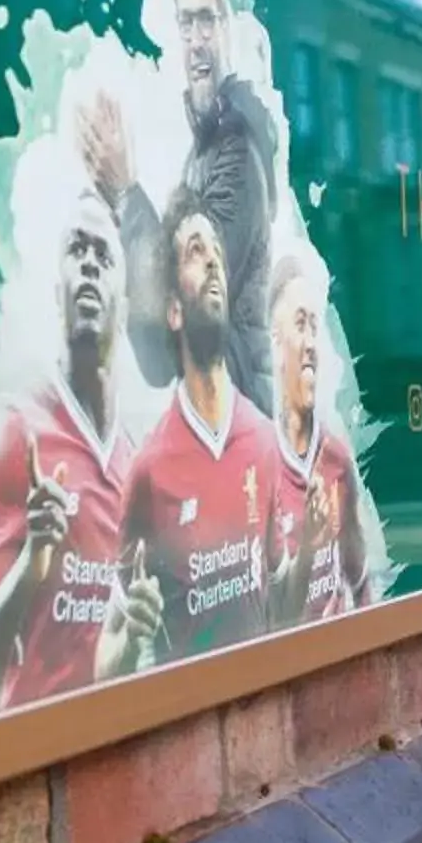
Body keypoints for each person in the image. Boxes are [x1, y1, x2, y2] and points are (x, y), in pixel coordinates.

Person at [0, 188, 136, 720]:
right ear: (58, 290)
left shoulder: (131, 462)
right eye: (77, 250)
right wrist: (29, 569)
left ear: (127, 296)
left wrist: (132, 639)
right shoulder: (18, 427)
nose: (90, 266)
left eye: (103, 255)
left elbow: (106, 668)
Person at [78, 0, 281, 415]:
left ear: (228, 27)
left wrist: (125, 191)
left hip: (237, 428)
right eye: (185, 24)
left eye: (206, 22)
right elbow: (158, 345)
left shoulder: (237, 147)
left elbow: (191, 311)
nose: (196, 43)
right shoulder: (204, 152)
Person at [108, 194, 291, 671]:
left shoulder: (264, 438)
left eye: (216, 252)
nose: (212, 261)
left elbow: (280, 593)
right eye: (195, 251)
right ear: (173, 312)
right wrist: (130, 634)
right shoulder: (148, 468)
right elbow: (112, 651)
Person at [266, 252, 370, 624]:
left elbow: (360, 580)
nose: (310, 341)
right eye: (300, 324)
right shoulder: (259, 466)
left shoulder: (337, 459)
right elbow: (277, 617)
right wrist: (309, 547)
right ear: (275, 342)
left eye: (315, 326)